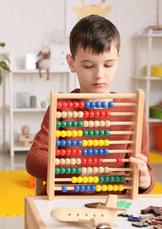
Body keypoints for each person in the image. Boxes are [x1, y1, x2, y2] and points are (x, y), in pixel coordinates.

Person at [26, 15, 155, 195]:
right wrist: (83, 173)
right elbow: (34, 160)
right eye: (88, 66)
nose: (99, 74)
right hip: (66, 199)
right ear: (72, 63)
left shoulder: (132, 108)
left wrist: (145, 181)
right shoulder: (62, 107)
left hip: (113, 203)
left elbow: (145, 167)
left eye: (108, 65)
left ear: (118, 60)